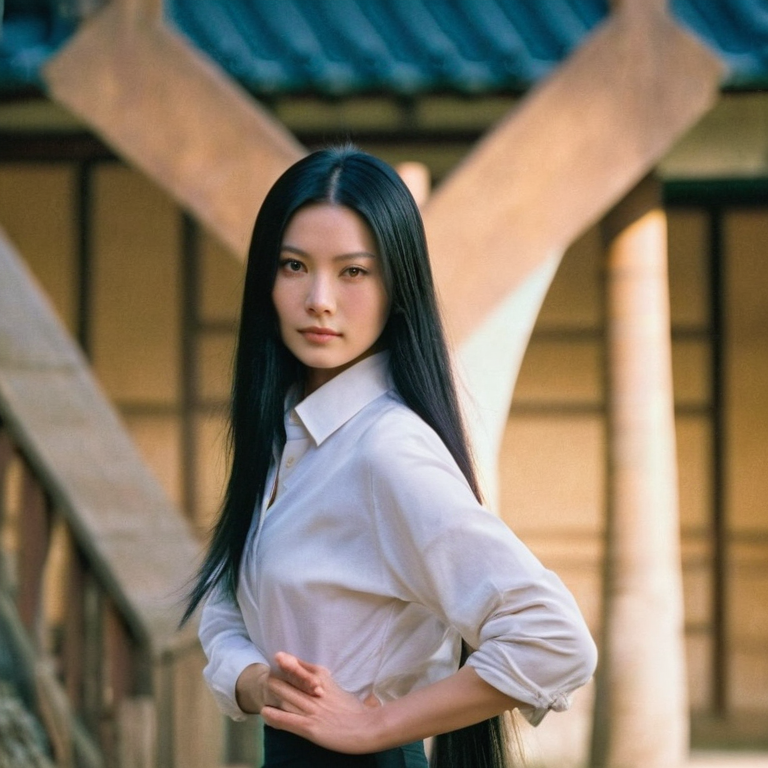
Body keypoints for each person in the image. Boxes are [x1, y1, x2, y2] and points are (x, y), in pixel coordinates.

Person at [183, 146, 597, 768]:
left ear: (397, 288)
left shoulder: (386, 450)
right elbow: (225, 607)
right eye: (294, 266)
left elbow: (554, 638)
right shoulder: (288, 436)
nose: (319, 299)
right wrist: (259, 682)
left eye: (353, 272)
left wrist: (374, 725)